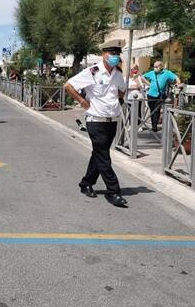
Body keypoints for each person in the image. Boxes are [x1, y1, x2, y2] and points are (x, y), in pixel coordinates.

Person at [63, 39, 128, 207]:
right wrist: (82, 101)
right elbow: (68, 85)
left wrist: (116, 103)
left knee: (99, 154)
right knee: (104, 157)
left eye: (117, 53)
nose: (115, 56)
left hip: (112, 120)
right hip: (95, 120)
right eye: (112, 53)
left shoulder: (118, 73)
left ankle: (86, 183)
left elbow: (122, 90)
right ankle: (113, 191)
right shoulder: (92, 72)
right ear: (103, 54)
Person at [141, 61, 182, 132]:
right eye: (154, 67)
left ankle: (154, 127)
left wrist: (179, 83)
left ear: (161, 67)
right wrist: (149, 84)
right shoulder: (152, 73)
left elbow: (175, 77)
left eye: (156, 67)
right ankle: (154, 124)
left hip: (160, 95)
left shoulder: (166, 73)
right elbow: (142, 77)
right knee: (152, 110)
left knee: (156, 110)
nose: (155, 68)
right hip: (150, 95)